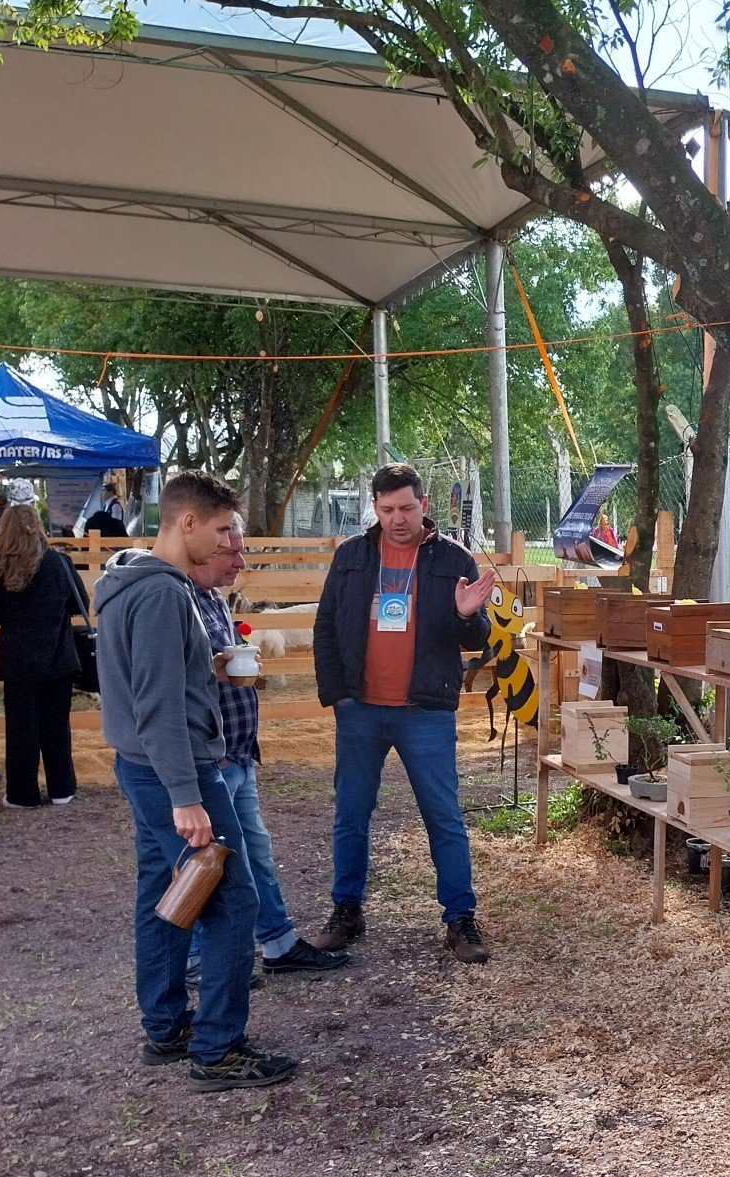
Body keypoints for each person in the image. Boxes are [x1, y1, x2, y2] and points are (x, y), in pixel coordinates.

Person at [97, 469, 294, 1091]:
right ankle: (218, 1047)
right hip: (174, 771)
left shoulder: (128, 581)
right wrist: (187, 796)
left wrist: (204, 664)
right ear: (186, 523)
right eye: (220, 530)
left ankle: (165, 1025)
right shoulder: (161, 593)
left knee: (163, 890)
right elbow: (157, 707)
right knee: (233, 901)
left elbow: (149, 678)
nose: (226, 542)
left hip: (142, 765)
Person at [307, 462, 491, 964]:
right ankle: (347, 910)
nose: (397, 519)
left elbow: (479, 641)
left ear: (424, 505)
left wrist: (466, 615)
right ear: (375, 508)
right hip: (360, 711)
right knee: (350, 813)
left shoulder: (454, 559)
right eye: (386, 509)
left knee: (444, 817)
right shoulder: (350, 557)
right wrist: (338, 696)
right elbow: (325, 628)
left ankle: (460, 918)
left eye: (407, 507)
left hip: (425, 710)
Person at [188, 517, 350, 978]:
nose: (241, 562)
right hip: (213, 758)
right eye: (231, 553)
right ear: (201, 546)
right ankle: (198, 959)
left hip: (237, 753)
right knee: (212, 860)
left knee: (253, 852)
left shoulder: (215, 600)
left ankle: (277, 942)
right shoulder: (181, 601)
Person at [0, 504, 82, 809]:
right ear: (37, 527)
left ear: (4, 529)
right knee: (56, 726)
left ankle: (23, 794)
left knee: (21, 729)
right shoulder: (59, 562)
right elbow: (79, 604)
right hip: (57, 656)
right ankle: (62, 789)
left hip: (17, 659)